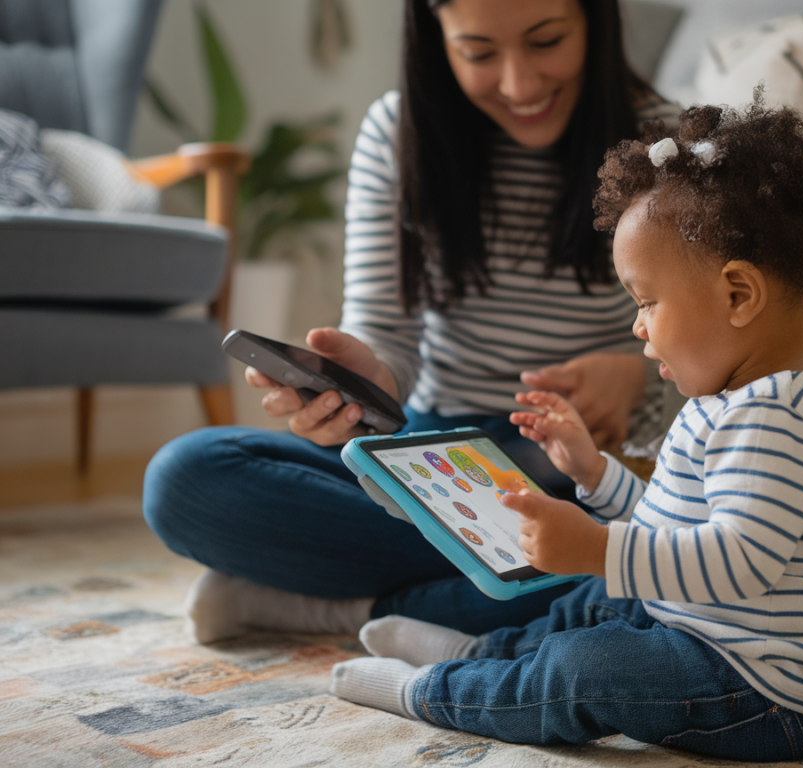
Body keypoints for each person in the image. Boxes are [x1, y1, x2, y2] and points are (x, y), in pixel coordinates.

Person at [328, 92, 803, 763]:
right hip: (714, 639)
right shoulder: (735, 399)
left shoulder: (776, 421)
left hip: (768, 694)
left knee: (588, 665)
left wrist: (600, 550)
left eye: (647, 302)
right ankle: (483, 654)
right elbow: (676, 530)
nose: (637, 327)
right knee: (595, 601)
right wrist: (592, 471)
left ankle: (434, 691)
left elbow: (738, 565)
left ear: (738, 295)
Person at [143, 0, 678, 643]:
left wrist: (637, 379)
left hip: (575, 471)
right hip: (433, 455)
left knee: (654, 567)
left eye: (546, 41)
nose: (519, 84)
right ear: (436, 38)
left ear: (596, 18)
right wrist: (370, 375)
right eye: (479, 52)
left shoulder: (669, 148)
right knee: (184, 479)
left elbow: (729, 352)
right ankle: (544, 582)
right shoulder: (399, 131)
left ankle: (328, 607)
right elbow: (386, 338)